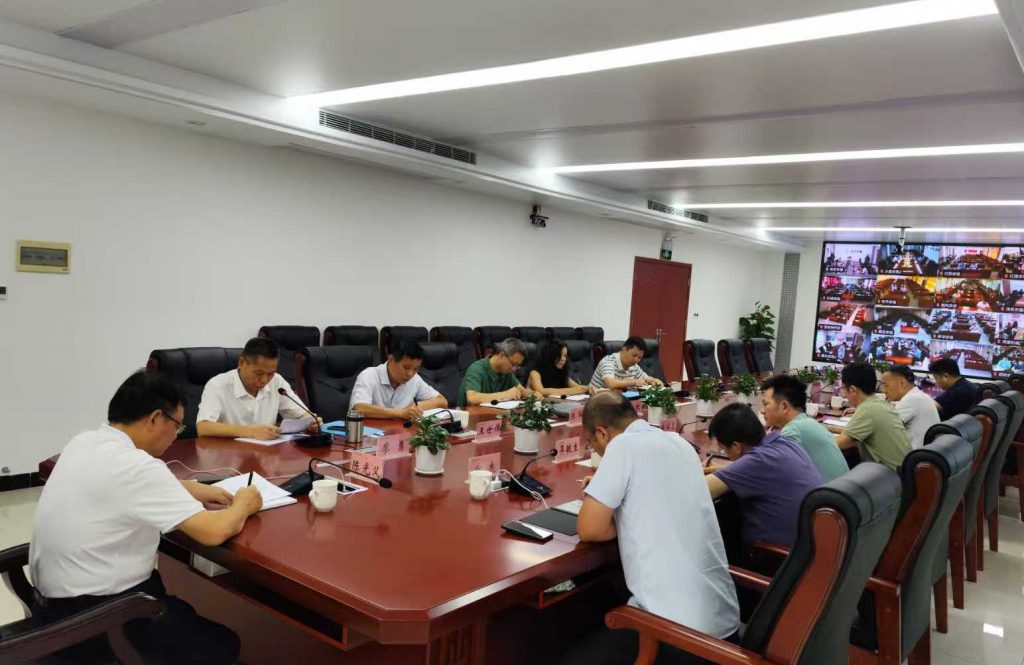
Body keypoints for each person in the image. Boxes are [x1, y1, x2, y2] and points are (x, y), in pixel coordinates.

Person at [30, 372, 263, 664]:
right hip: (99, 621)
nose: (176, 435)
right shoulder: (138, 467)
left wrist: (190, 488)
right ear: (155, 418)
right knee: (224, 643)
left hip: (53, 610)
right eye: (177, 425)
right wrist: (244, 504)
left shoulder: (85, 441)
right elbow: (213, 532)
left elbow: (115, 486)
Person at [560, 393, 739, 665]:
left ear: (602, 433)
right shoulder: (678, 442)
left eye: (591, 443)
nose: (596, 451)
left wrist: (623, 514)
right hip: (725, 632)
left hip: (679, 638)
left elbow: (590, 529)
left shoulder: (622, 446)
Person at [706, 403, 823, 549]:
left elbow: (700, 490)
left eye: (723, 449)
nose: (725, 453)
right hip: (812, 544)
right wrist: (725, 470)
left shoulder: (756, 461)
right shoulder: (785, 443)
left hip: (774, 556)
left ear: (736, 446)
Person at [196, 337, 318, 439]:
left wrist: (312, 422)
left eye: (270, 374)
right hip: (228, 455)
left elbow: (302, 415)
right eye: (259, 373)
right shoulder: (218, 385)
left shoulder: (277, 381)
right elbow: (203, 427)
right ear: (242, 363)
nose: (264, 380)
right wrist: (250, 431)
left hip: (266, 454)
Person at [760, 375, 849, 482]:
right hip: (841, 488)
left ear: (784, 406)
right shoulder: (809, 423)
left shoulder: (793, 431)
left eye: (766, 404)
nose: (762, 411)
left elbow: (769, 470)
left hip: (825, 491)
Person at [826, 362, 910, 471]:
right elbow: (854, 433)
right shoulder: (880, 404)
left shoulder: (867, 409)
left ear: (852, 390)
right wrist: (827, 428)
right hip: (902, 473)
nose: (844, 394)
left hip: (889, 477)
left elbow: (837, 444)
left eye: (843, 388)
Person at [350, 341, 448, 420]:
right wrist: (400, 413)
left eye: (415, 369)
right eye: (406, 367)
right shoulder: (369, 375)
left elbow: (442, 401)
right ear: (391, 359)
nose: (410, 374)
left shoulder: (415, 379)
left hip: (400, 433)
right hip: (370, 435)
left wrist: (416, 407)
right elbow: (359, 408)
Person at [457, 338, 532, 406]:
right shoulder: (477, 369)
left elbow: (522, 391)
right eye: (513, 364)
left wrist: (533, 394)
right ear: (501, 355)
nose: (514, 369)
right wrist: (505, 395)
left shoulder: (507, 373)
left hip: (492, 414)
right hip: (471, 415)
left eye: (517, 366)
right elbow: (472, 398)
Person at [882, 365, 940, 449]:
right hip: (926, 451)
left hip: (914, 454)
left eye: (886, 385)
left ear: (902, 383)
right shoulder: (919, 395)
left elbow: (883, 425)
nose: (884, 391)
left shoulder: (911, 399)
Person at [527, 339, 595, 397]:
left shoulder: (561, 372)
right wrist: (575, 390)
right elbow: (541, 391)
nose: (563, 359)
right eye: (559, 355)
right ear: (550, 356)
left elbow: (578, 387)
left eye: (565, 356)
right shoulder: (535, 373)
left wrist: (587, 388)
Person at [590, 336, 663, 390]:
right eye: (634, 355)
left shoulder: (634, 366)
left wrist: (654, 381)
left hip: (617, 400)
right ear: (624, 349)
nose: (636, 360)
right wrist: (634, 382)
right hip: (596, 401)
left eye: (639, 357)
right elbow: (610, 384)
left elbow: (645, 379)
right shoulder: (608, 361)